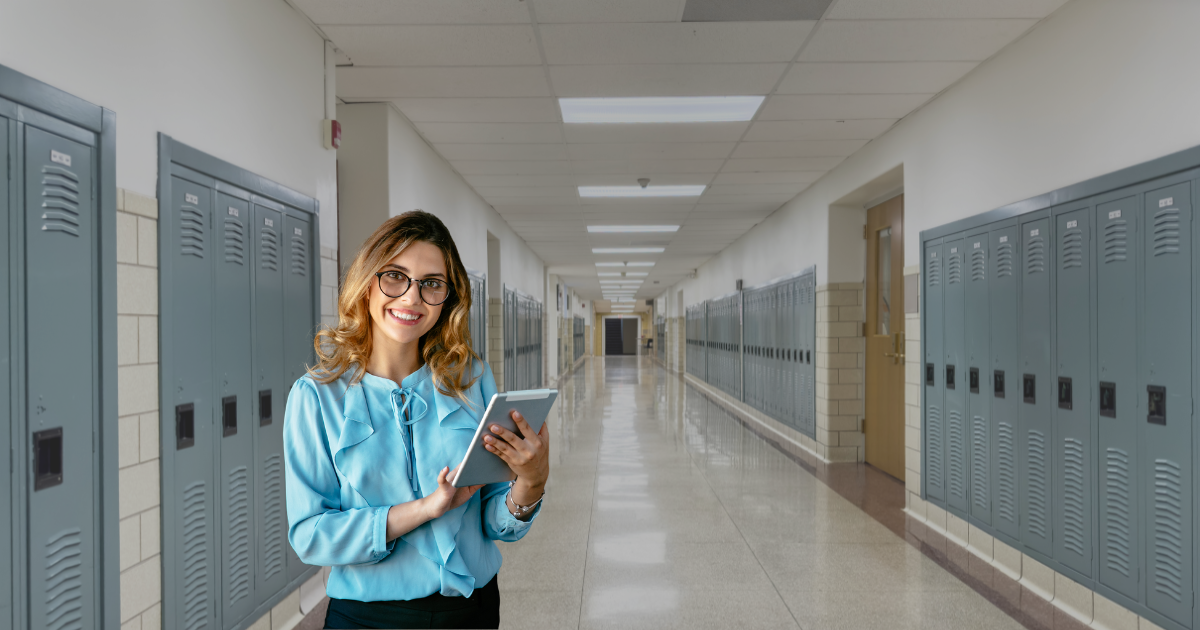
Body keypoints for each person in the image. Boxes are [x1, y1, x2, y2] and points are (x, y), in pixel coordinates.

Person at [283, 211, 550, 629]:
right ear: (367, 282)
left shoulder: (471, 379)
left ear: (447, 297)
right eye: (395, 276)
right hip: (368, 618)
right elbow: (311, 535)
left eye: (431, 284)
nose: (411, 298)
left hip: (471, 611)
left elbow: (495, 522)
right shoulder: (317, 396)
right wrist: (425, 509)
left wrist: (531, 481)